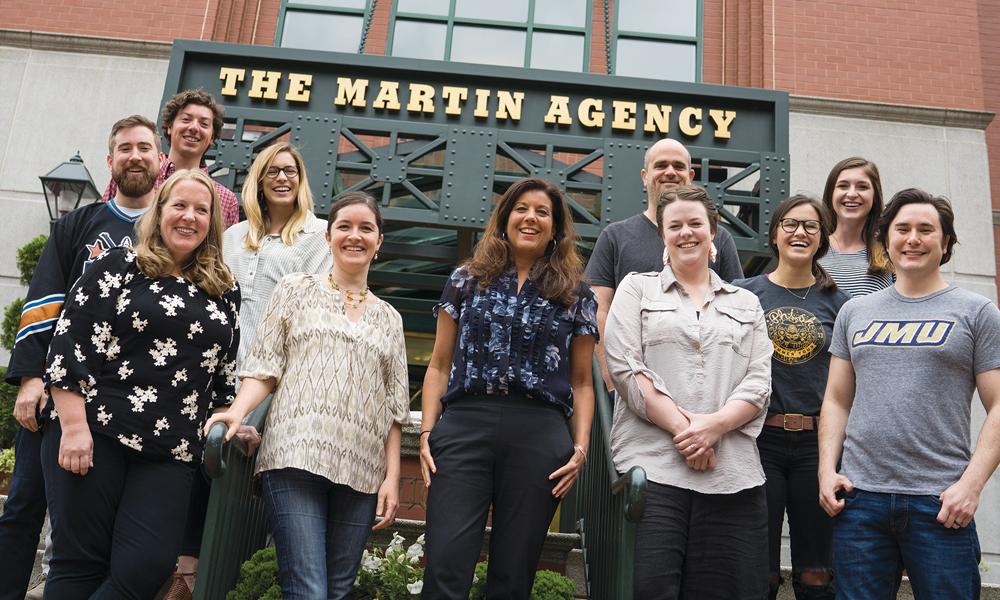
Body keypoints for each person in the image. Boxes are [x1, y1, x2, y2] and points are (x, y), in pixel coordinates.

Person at [40, 169, 240, 599]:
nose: (189, 217)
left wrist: (234, 416)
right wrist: (74, 428)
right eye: (179, 206)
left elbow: (222, 375)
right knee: (79, 565)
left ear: (212, 222)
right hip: (96, 432)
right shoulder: (119, 265)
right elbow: (70, 344)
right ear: (160, 212)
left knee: (147, 566)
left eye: (201, 210)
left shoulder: (223, 288)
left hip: (171, 449)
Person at [204, 191, 409, 600]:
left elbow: (394, 408)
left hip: (362, 470)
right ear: (329, 236)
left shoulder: (391, 318)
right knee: (308, 589)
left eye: (366, 228)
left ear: (379, 241)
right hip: (294, 456)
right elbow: (264, 369)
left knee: (336, 590)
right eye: (345, 227)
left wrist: (392, 478)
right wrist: (237, 412)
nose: (355, 236)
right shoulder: (294, 289)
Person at [0, 115, 161, 600]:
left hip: (128, 398)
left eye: (145, 148)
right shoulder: (77, 224)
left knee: (102, 522)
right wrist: (30, 380)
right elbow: (44, 300)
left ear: (161, 160)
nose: (135, 156)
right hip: (58, 389)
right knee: (24, 504)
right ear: (111, 161)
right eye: (125, 149)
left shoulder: (170, 229)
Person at [161, 142, 332, 600]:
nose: (282, 178)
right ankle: (188, 567)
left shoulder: (319, 235)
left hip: (277, 381)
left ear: (302, 181)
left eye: (291, 171)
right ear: (257, 180)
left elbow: (313, 311)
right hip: (217, 372)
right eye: (272, 170)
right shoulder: (232, 236)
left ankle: (231, 575)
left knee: (255, 485)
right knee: (200, 457)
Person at [418, 177, 597, 599]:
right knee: (445, 563)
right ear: (504, 218)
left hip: (539, 430)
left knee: (513, 575)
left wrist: (581, 447)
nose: (531, 217)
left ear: (555, 229)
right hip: (465, 424)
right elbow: (440, 364)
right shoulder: (466, 278)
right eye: (521, 208)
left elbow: (583, 381)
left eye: (542, 212)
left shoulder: (576, 293)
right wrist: (427, 431)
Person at [818, 188, 1000, 599]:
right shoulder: (855, 312)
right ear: (885, 240)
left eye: (925, 229)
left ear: (946, 242)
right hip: (861, 501)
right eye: (902, 229)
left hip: (940, 504)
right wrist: (826, 470)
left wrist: (971, 486)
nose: (912, 238)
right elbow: (836, 399)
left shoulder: (976, 312)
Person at [605, 184, 771, 599]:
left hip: (732, 477)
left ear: (713, 230)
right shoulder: (635, 289)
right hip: (654, 470)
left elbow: (758, 381)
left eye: (695, 223)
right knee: (650, 589)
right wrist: (690, 432)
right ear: (662, 234)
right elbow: (626, 368)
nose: (686, 233)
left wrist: (714, 427)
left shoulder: (747, 303)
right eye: (674, 225)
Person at [733, 195, 849, 600]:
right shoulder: (743, 294)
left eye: (811, 226)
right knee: (757, 570)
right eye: (790, 224)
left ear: (822, 239)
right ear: (775, 234)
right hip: (757, 442)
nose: (800, 232)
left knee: (818, 571)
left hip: (819, 448)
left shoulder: (842, 305)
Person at [586, 138, 744, 391]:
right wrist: (611, 377)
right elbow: (597, 309)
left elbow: (735, 312)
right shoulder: (615, 236)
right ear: (645, 175)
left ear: (690, 175)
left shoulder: (719, 237)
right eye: (661, 165)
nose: (670, 172)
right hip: (633, 384)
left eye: (678, 166)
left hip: (705, 386)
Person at [101, 89, 240, 227]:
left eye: (204, 124)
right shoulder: (133, 173)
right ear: (169, 126)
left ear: (212, 138)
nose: (194, 128)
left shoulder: (226, 200)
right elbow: (100, 225)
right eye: (186, 119)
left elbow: (223, 248)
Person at [817, 157, 893, 297]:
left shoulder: (890, 252)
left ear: (875, 196)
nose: (851, 194)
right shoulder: (814, 248)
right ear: (831, 193)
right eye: (843, 186)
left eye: (862, 187)